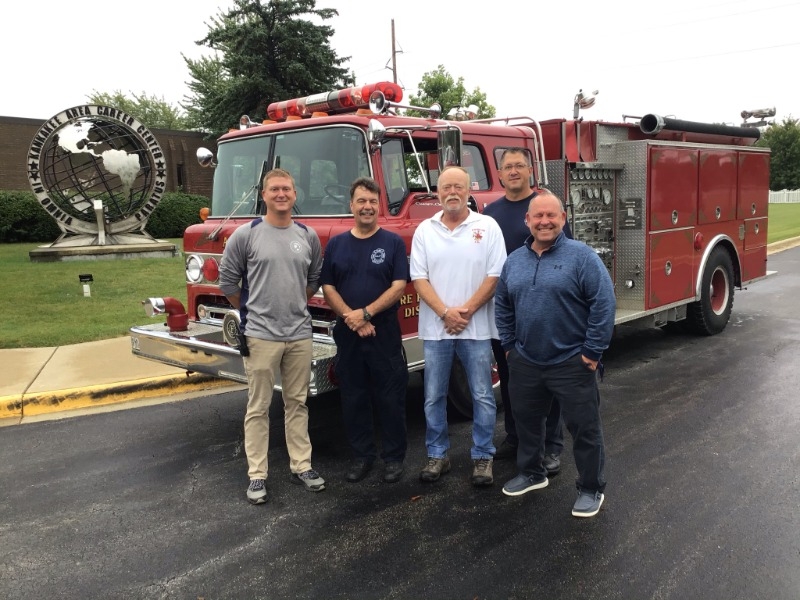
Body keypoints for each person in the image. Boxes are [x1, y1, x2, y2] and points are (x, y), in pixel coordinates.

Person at [495, 191, 615, 517]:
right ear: (528, 221)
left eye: (551, 216)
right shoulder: (514, 261)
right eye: (538, 216)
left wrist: (592, 352)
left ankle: (591, 489)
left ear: (563, 219)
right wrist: (509, 346)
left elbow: (603, 304)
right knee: (527, 424)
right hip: (526, 361)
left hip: (571, 362)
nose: (544, 221)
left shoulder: (582, 257)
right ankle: (532, 474)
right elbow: (503, 304)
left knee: (584, 430)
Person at [219, 168, 326, 505]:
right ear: (263, 196)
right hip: (261, 335)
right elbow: (228, 283)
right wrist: (254, 310)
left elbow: (313, 279)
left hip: (299, 334)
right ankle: (257, 476)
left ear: (295, 195)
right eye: (274, 189)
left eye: (287, 189)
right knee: (259, 407)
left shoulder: (308, 235)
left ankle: (302, 466)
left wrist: (293, 304)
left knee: (298, 402)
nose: (281, 194)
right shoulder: (245, 235)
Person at [410, 166, 506, 486]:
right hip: (436, 330)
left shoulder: (487, 226)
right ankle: (438, 455)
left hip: (475, 329)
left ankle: (482, 457)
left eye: (458, 187)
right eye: (446, 187)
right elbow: (418, 278)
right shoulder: (425, 229)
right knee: (433, 395)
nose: (452, 192)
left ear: (469, 191)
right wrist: (444, 313)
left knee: (481, 395)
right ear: (437, 193)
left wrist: (464, 312)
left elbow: (495, 275)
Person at [483, 148, 572, 474]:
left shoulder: (544, 207)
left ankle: (551, 446)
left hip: (543, 312)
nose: (514, 171)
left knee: (548, 382)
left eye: (520, 165)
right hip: (505, 312)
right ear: (500, 172)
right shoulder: (490, 213)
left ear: (530, 170)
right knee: (510, 380)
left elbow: (567, 255)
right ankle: (516, 436)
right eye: (508, 166)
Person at [321, 177, 410, 484]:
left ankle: (394, 458)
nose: (367, 206)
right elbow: (327, 285)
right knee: (354, 397)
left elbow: (399, 286)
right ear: (352, 206)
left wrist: (367, 313)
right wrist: (351, 318)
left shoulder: (393, 242)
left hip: (383, 332)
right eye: (361, 201)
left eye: (373, 201)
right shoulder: (336, 243)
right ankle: (362, 457)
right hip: (349, 333)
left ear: (378, 205)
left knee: (390, 397)